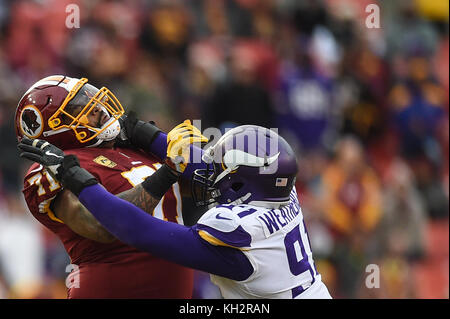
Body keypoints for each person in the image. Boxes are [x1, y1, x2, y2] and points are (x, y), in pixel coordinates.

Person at [19, 125, 332, 299]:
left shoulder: (237, 231)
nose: (212, 176)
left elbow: (134, 230)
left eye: (224, 172)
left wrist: (79, 180)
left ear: (240, 182)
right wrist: (145, 134)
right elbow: (206, 168)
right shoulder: (283, 192)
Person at [14, 75, 207, 298]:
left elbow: (214, 180)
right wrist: (168, 172)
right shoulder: (57, 168)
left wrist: (151, 137)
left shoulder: (134, 150)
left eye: (90, 99)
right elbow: (101, 227)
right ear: (54, 130)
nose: (96, 107)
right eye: (79, 108)